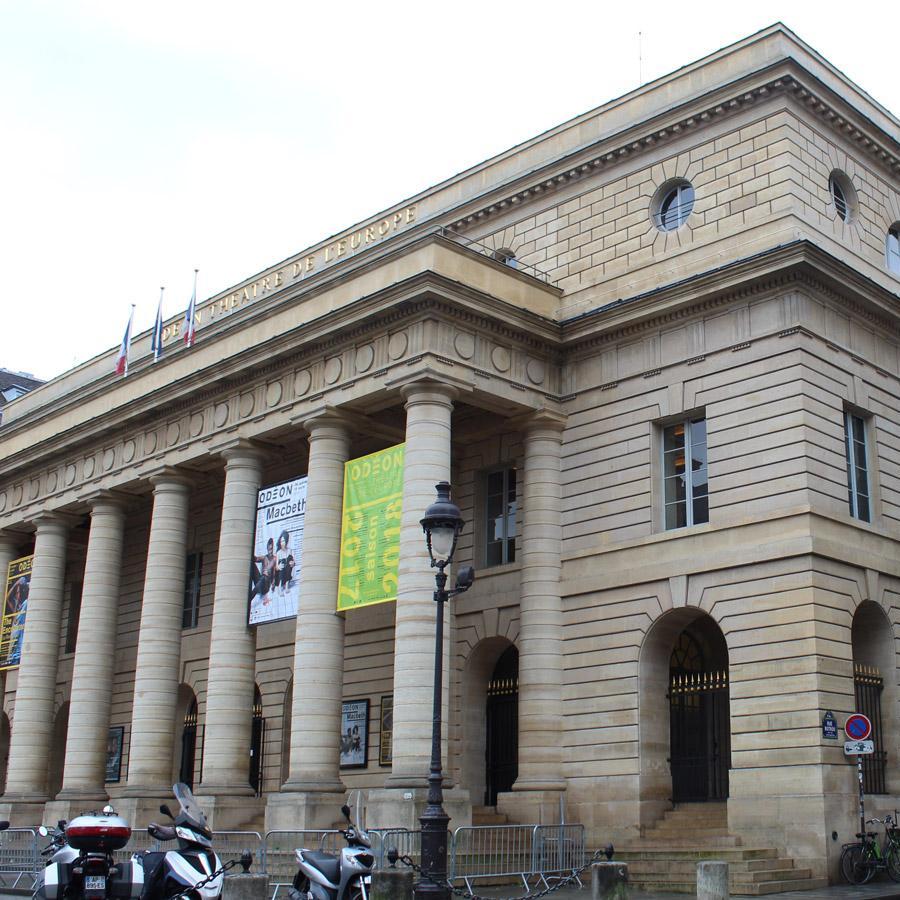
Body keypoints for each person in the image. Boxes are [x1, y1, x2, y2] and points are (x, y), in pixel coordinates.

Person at [251, 538, 277, 605]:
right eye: (268, 549)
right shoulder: (264, 557)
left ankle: (250, 598)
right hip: (259, 582)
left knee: (264, 578)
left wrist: (273, 584)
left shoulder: (274, 559)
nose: (270, 551)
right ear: (267, 549)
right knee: (252, 564)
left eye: (271, 549)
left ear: (272, 548)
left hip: (265, 586)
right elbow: (256, 559)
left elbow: (274, 573)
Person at [275, 530, 295, 596]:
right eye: (281, 541)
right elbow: (276, 567)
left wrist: (293, 563)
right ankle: (280, 589)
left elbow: (293, 562)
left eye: (283, 541)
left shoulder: (290, 550)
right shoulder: (278, 553)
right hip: (281, 573)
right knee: (282, 562)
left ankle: (286, 587)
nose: (282, 543)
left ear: (286, 541)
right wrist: (279, 566)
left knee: (289, 559)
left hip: (287, 572)